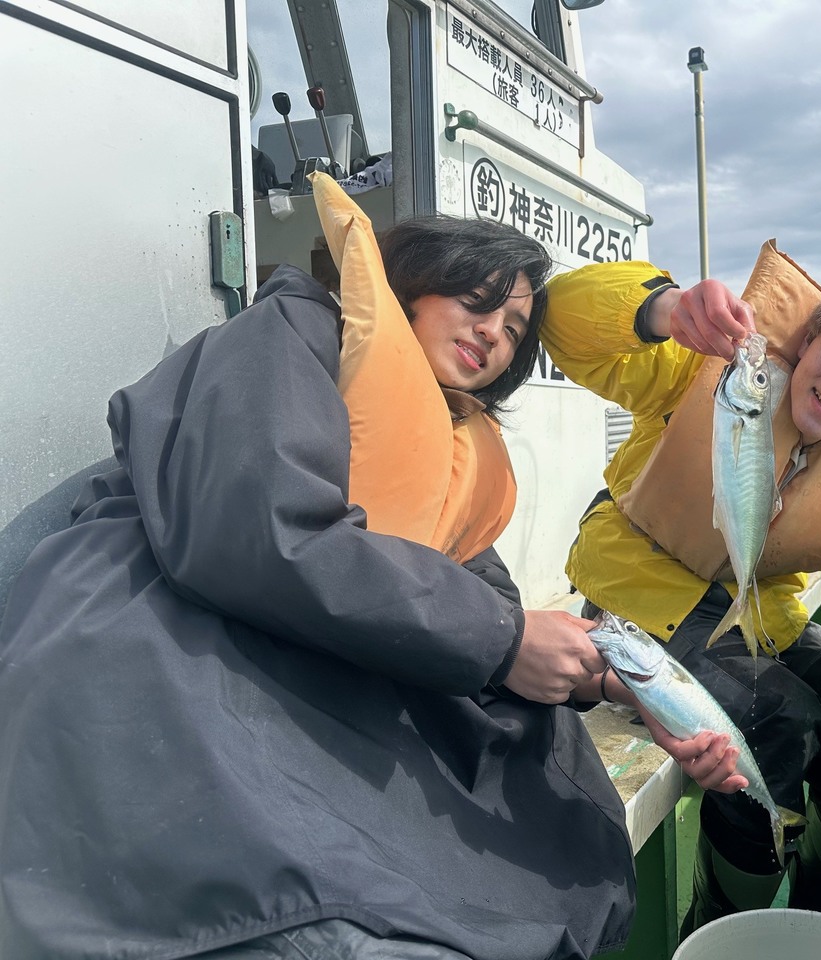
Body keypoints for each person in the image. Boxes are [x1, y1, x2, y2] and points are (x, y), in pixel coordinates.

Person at [0, 177, 739, 960]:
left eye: (515, 329)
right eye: (477, 301)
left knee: (512, 822)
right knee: (283, 893)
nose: (493, 333)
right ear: (415, 282)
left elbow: (484, 608)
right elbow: (255, 520)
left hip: (310, 662)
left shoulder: (452, 446)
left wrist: (623, 684)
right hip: (168, 629)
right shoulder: (292, 330)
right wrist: (501, 638)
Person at [540, 252, 821, 936]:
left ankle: (818, 878)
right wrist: (658, 308)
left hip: (762, 614)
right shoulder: (708, 373)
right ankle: (723, 916)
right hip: (642, 589)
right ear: (809, 339)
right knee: (772, 722)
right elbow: (562, 320)